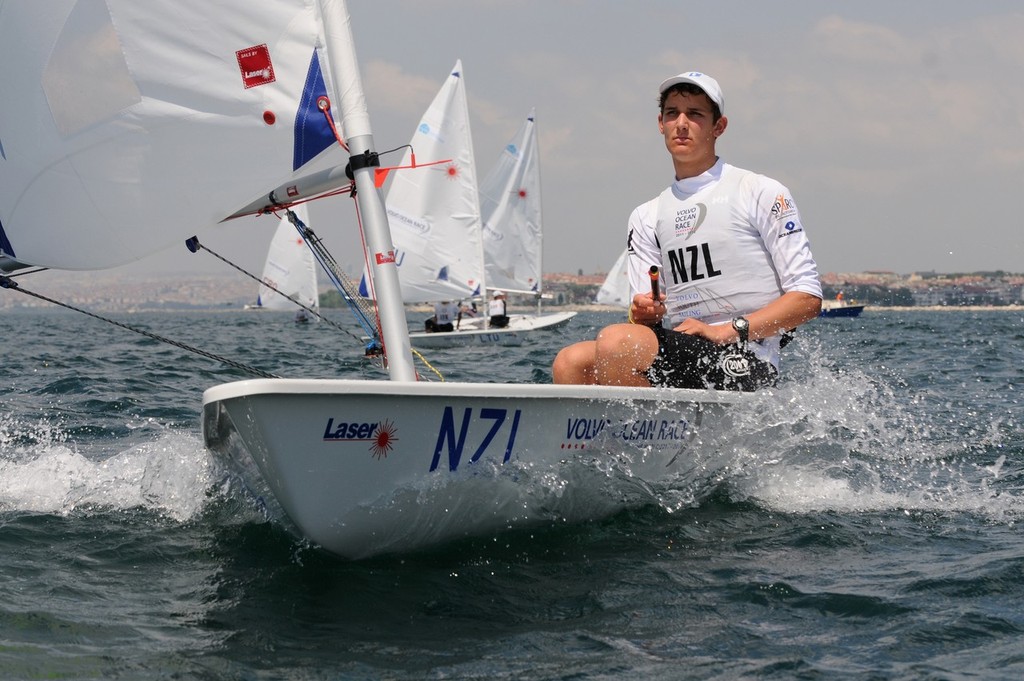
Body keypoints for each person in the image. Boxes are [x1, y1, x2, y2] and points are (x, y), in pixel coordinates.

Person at [552, 71, 822, 391]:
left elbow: (808, 298)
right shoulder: (646, 216)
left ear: (718, 127)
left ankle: (644, 438)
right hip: (686, 351)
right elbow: (644, 324)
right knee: (570, 362)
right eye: (672, 114)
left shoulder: (760, 191)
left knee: (616, 341)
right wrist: (642, 312)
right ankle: (603, 442)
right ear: (660, 124)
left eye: (694, 114)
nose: (681, 123)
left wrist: (727, 331)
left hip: (746, 356)